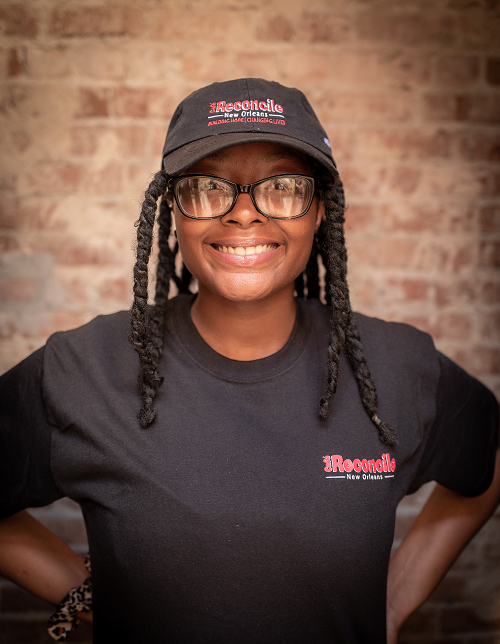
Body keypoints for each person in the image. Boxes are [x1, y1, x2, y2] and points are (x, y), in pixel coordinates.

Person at [0, 78, 498, 644]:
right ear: (174, 212)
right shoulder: (81, 369)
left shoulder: (399, 368)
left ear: (319, 213)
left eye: (283, 187)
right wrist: (91, 592)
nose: (243, 214)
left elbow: (489, 450)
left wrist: (394, 596)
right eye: (209, 187)